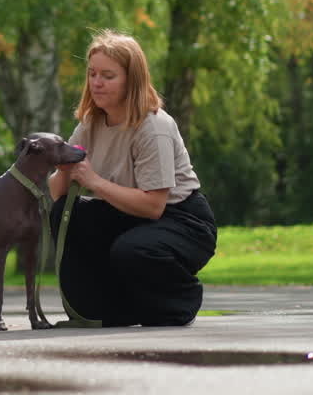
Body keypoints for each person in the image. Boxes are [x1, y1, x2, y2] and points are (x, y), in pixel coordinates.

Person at [48, 29, 217, 326]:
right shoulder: (90, 123)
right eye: (92, 74)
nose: (97, 83)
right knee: (65, 212)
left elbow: (154, 206)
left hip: (182, 220)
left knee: (134, 249)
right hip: (128, 215)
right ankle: (109, 306)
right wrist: (63, 167)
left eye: (108, 76)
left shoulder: (153, 128)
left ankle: (179, 302)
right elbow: (57, 195)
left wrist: (95, 182)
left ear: (131, 79)